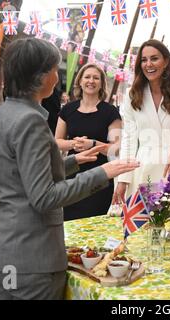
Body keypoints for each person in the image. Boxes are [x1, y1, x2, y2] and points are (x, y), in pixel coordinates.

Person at [0, 38, 139, 300]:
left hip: (5, 247)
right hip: (31, 258)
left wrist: (74, 162)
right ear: (40, 76)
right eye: (54, 69)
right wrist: (103, 173)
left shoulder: (3, 113)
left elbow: (22, 173)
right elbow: (44, 196)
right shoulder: (30, 120)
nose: (57, 77)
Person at [113, 39, 170, 223]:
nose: (148, 64)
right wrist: (123, 179)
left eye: (154, 58)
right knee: (141, 230)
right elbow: (128, 139)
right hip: (141, 169)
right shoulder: (132, 94)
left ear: (166, 61)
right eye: (144, 60)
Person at [55, 64, 122, 221]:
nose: (91, 81)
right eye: (87, 77)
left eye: (96, 78)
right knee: (70, 221)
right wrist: (74, 144)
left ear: (101, 83)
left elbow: (116, 148)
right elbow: (56, 141)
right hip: (72, 173)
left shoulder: (110, 112)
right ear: (80, 81)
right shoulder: (68, 110)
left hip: (100, 175)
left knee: (95, 222)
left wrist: (93, 144)